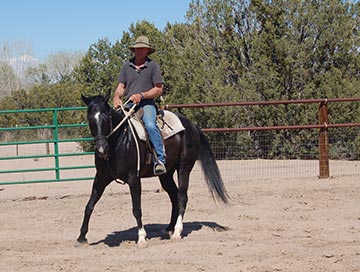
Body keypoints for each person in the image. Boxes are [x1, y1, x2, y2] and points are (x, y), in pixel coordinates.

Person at [112, 36, 167, 175]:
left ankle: (160, 159)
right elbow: (121, 86)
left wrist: (142, 95)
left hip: (146, 104)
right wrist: (116, 96)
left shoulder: (153, 66)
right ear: (134, 50)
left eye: (142, 48)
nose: (139, 51)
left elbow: (158, 88)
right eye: (137, 48)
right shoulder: (126, 66)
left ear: (147, 50)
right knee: (114, 125)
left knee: (149, 124)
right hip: (128, 104)